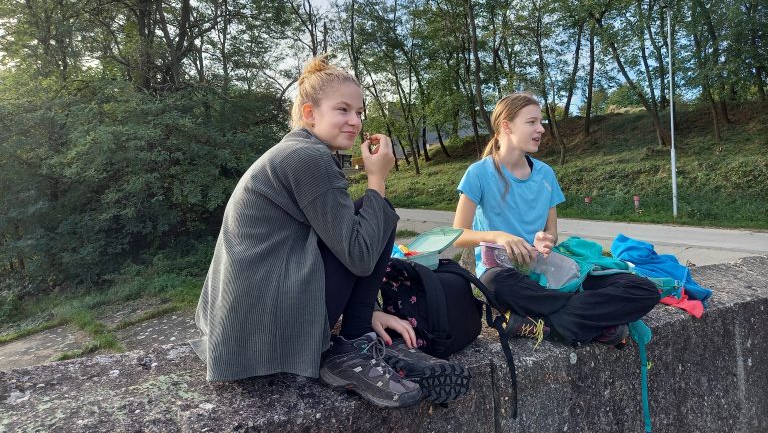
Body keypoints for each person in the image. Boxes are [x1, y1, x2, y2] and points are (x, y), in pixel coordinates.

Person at [191, 56, 468, 409]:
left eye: (360, 112)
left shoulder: (296, 151)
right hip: (261, 328)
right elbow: (359, 254)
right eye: (343, 110)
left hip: (242, 321)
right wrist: (377, 178)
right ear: (310, 113)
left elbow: (335, 238)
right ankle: (353, 345)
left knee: (369, 213)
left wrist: (367, 309)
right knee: (377, 212)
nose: (355, 121)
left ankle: (360, 332)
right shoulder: (309, 159)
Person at [452, 93, 660, 347]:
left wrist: (545, 239)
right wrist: (498, 236)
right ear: (506, 125)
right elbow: (459, 234)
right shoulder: (479, 173)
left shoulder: (545, 174)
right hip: (505, 274)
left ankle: (548, 326)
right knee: (494, 284)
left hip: (546, 269)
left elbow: (552, 233)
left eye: (541, 122)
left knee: (644, 290)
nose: (541, 129)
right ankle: (594, 322)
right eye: (532, 122)